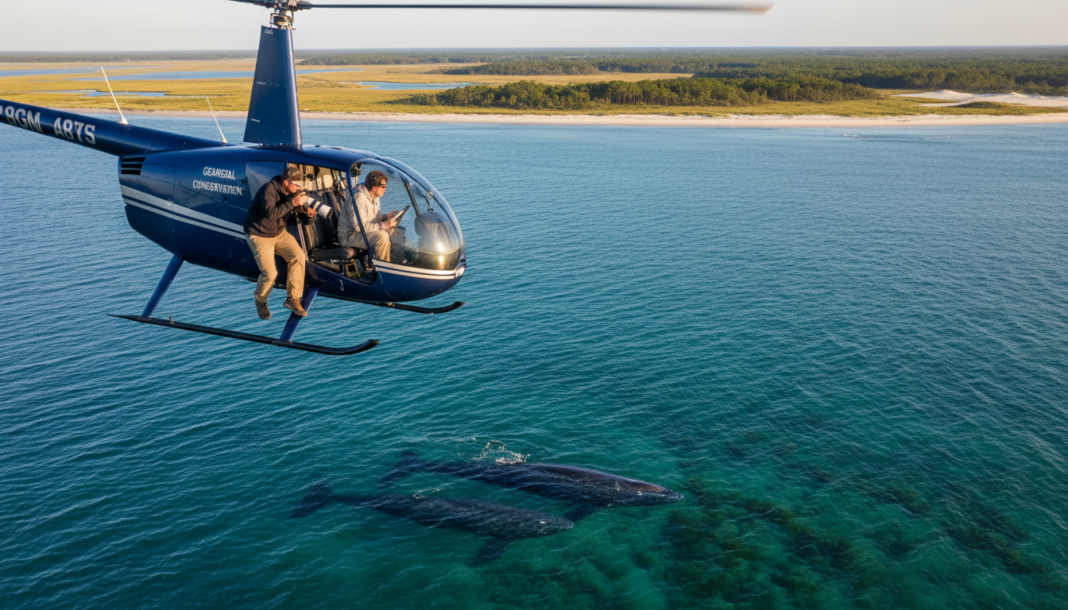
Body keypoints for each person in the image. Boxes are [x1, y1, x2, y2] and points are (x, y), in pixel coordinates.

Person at [243, 166, 317, 320]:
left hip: (279, 232)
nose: (299, 188)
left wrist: (308, 215)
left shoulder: (293, 192)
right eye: (297, 185)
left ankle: (293, 299)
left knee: (298, 257)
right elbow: (271, 214)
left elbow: (301, 217)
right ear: (286, 183)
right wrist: (293, 203)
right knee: (270, 274)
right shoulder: (268, 190)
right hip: (260, 235)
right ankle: (260, 300)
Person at [338, 170, 405, 264]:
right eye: (383, 187)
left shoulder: (374, 196)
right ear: (374, 187)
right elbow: (358, 226)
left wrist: (385, 217)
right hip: (350, 235)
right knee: (382, 236)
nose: (385, 189)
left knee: (396, 231)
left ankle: (398, 264)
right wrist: (384, 225)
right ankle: (384, 270)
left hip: (362, 232)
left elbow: (373, 218)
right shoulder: (358, 199)